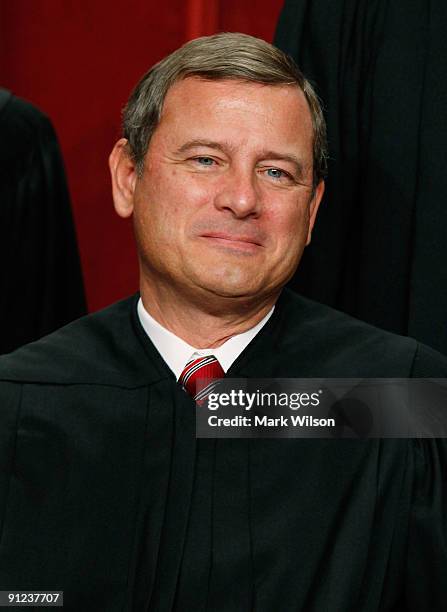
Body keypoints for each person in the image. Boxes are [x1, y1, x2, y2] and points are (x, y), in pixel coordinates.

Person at [0, 33, 446, 612]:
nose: (241, 199)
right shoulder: (20, 402)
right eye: (205, 160)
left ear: (311, 212)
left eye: (278, 173)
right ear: (128, 178)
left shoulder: (397, 399)